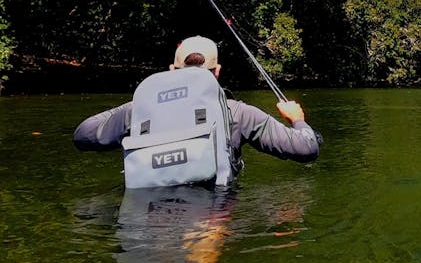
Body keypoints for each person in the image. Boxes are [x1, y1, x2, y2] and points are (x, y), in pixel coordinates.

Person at [73, 35, 320, 183]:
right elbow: (307, 148)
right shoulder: (237, 113)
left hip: (144, 211)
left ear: (172, 69)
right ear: (217, 72)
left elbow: (83, 135)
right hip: (212, 215)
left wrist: (135, 107)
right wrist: (297, 120)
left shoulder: (137, 111)